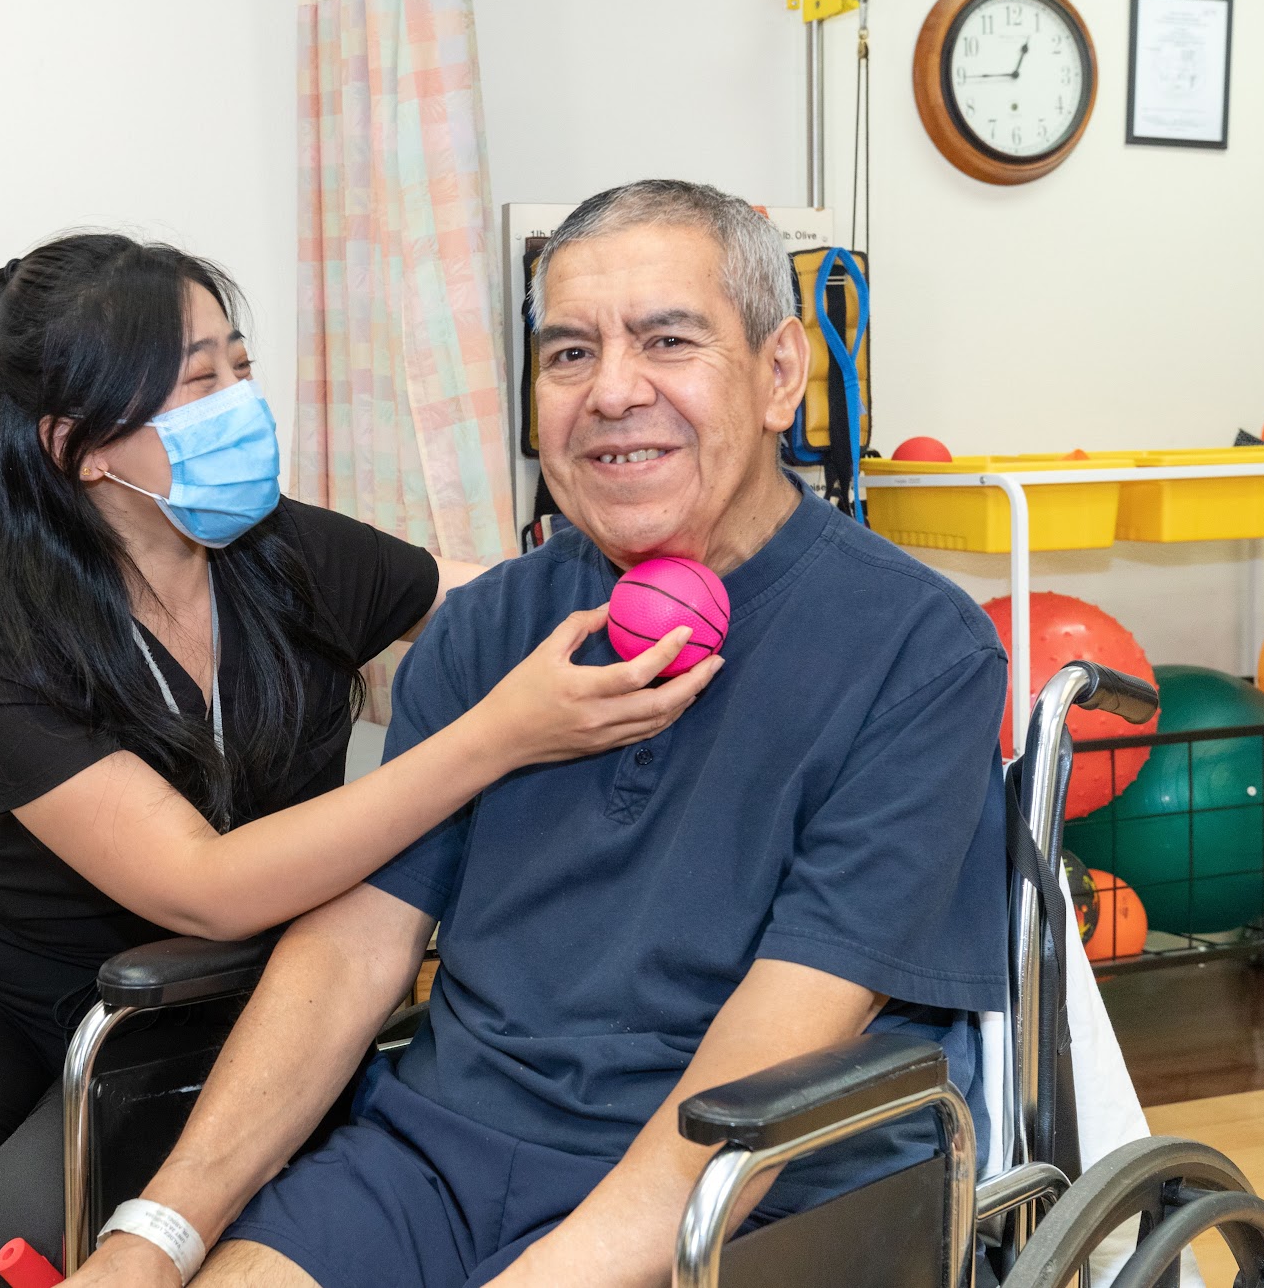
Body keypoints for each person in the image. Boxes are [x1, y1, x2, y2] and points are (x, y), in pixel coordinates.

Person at [67, 181, 1012, 1288]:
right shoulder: (485, 630)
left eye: (667, 340)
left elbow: (785, 1033)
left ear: (778, 373)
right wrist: (154, 1236)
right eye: (569, 353)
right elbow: (354, 948)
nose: (611, 391)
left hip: (745, 1192)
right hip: (437, 1157)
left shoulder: (915, 649)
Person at [0, 232, 717, 1288]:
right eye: (199, 383)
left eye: (239, 367)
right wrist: (495, 737)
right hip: (6, 991)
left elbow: (498, 606)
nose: (241, 404)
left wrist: (678, 566)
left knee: (24, 1225)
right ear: (81, 446)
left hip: (234, 1007)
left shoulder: (287, 557)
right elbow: (204, 885)